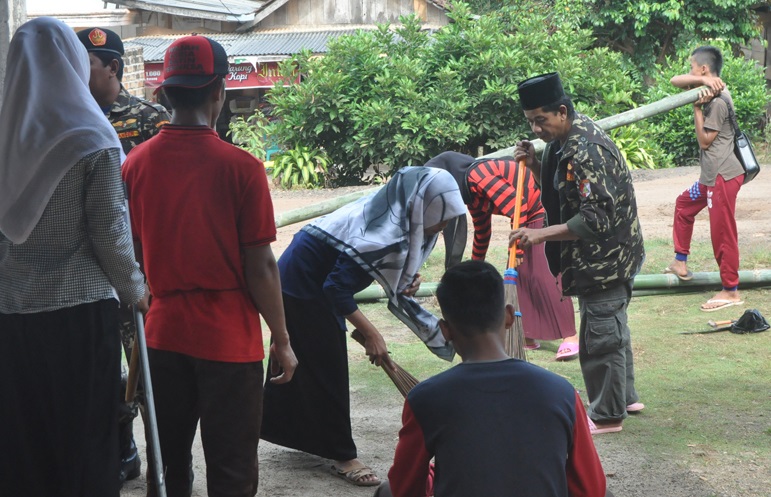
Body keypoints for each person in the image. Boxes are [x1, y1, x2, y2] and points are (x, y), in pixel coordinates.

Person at [121, 35, 298, 497]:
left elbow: (135, 254)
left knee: (170, 464)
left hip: (163, 335)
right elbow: (260, 265)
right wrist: (281, 339)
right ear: (219, 91)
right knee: (233, 470)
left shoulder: (134, 164)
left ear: (164, 93)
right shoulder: (242, 168)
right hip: (228, 340)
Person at [0, 17, 147, 497]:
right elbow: (110, 230)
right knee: (83, 431)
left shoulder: (5, 140)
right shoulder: (93, 138)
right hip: (77, 315)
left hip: (12, 314)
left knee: (23, 433)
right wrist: (135, 289)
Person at [261, 167, 466, 487]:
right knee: (328, 365)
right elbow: (335, 289)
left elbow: (376, 267)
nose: (445, 223)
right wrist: (372, 332)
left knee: (305, 356)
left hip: (308, 277)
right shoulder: (383, 229)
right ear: (424, 205)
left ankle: (282, 427)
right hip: (300, 282)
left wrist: (404, 282)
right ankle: (344, 456)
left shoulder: (403, 216)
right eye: (443, 215)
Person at [374, 260, 611, 497]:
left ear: (445, 330)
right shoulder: (562, 393)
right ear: (509, 316)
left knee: (386, 491)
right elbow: (591, 489)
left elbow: (405, 487)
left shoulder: (425, 398)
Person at [510, 72, 645, 434]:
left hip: (605, 260)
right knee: (612, 329)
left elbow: (594, 219)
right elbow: (564, 190)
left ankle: (607, 415)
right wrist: (535, 164)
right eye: (531, 122)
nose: (537, 129)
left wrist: (539, 236)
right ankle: (624, 397)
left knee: (601, 336)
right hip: (596, 259)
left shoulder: (587, 150)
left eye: (541, 120)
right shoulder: (565, 139)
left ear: (563, 111)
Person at [77, 25, 172, 485]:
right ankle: (123, 450)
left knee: (145, 369)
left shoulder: (152, 119)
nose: (76, 73)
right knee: (101, 373)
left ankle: (162, 465)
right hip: (90, 270)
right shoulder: (68, 122)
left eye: (88, 65)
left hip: (140, 267)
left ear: (112, 67)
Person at [425, 151, 579, 360]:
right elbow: (482, 232)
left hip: (540, 209)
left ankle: (570, 337)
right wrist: (473, 270)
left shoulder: (478, 175)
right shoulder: (471, 194)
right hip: (524, 218)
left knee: (542, 274)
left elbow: (518, 205)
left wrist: (515, 249)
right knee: (519, 278)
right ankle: (528, 335)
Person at [664, 46, 745, 312]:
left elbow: (705, 140)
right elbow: (675, 81)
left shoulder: (718, 100)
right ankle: (680, 261)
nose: (689, 71)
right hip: (709, 177)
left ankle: (730, 290)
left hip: (722, 176)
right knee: (684, 204)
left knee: (722, 233)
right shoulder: (705, 86)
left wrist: (697, 110)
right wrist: (701, 81)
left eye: (692, 67)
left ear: (703, 67)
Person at [77, 27, 170, 155]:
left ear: (113, 68)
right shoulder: (75, 118)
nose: (78, 71)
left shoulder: (150, 116)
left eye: (86, 63)